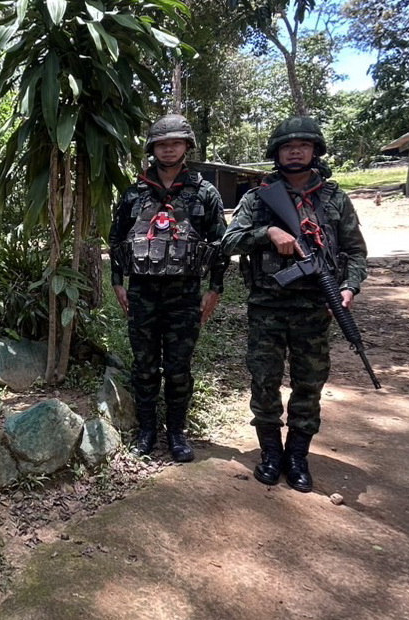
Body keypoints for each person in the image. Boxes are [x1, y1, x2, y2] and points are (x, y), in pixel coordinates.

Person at [221, 116, 368, 492]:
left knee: (309, 383)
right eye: (288, 146)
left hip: (314, 308)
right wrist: (268, 232)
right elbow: (229, 241)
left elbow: (355, 252)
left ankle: (298, 455)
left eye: (303, 145)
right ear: (277, 153)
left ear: (315, 150)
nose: (296, 152)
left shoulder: (334, 199)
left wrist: (348, 288)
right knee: (264, 380)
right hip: (267, 307)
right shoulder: (258, 198)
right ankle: (271, 452)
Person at [109, 114, 228, 462]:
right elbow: (116, 240)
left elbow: (220, 244)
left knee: (178, 368)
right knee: (144, 366)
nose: (169, 149)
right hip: (142, 293)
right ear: (153, 149)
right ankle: (147, 430)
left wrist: (215, 289)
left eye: (175, 142)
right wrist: (116, 282)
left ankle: (176, 432)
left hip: (184, 295)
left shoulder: (204, 192)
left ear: (187, 146)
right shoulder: (134, 193)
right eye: (162, 144)